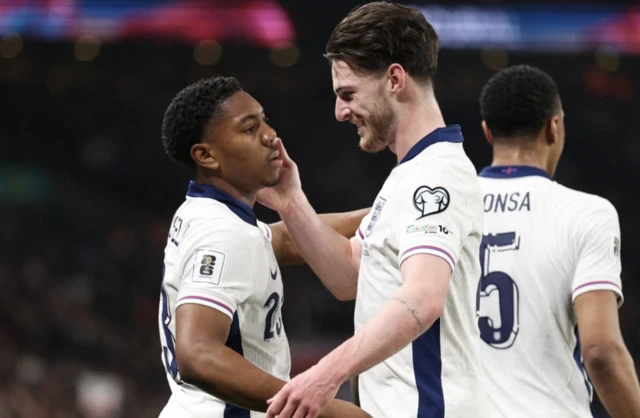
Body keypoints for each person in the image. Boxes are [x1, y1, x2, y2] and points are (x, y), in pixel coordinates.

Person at [259, 3, 488, 417]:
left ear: (395, 79)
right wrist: (291, 202)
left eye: (348, 94)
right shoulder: (408, 174)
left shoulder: (436, 175)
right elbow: (350, 276)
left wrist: (324, 373)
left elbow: (423, 296)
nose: (339, 112)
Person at [157, 76, 371, 418]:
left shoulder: (211, 213)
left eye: (264, 120)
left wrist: (391, 212)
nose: (270, 135)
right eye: (249, 128)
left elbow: (285, 239)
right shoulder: (221, 231)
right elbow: (197, 353)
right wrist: (320, 407)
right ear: (206, 155)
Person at [476, 64, 640, 417]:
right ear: (554, 127)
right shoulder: (586, 213)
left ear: (488, 132)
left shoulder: (443, 208)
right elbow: (600, 351)